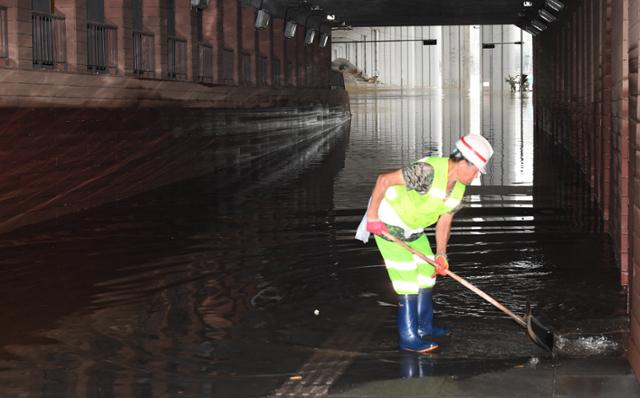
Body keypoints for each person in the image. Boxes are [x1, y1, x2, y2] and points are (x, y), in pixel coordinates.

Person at [355, 134, 494, 353]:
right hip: (388, 222)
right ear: (463, 161)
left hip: (413, 227)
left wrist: (441, 254)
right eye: (476, 170)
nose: (476, 176)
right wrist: (372, 217)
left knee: (428, 272)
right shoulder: (427, 172)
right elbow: (384, 180)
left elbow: (445, 220)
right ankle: (409, 337)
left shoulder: (458, 188)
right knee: (407, 281)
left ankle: (425, 326)